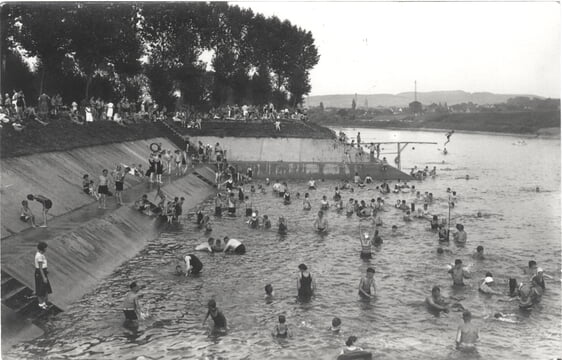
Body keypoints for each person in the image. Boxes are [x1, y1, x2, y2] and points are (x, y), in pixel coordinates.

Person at [34, 242, 52, 309]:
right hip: (40, 273)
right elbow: (40, 268)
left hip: (42, 272)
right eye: (45, 248)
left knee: (44, 289)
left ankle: (44, 303)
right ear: (43, 249)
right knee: (40, 289)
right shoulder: (39, 256)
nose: (46, 249)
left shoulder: (41, 254)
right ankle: (41, 304)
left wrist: (46, 271)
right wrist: (44, 277)